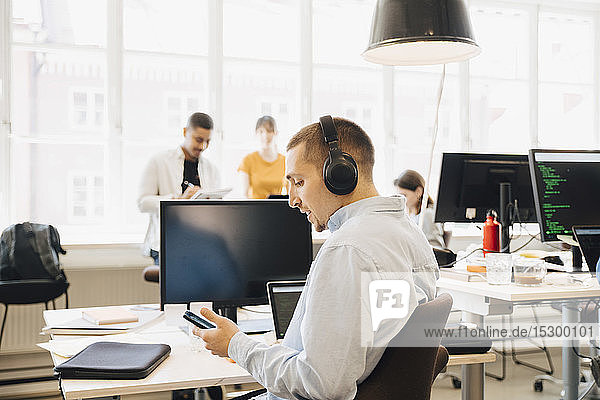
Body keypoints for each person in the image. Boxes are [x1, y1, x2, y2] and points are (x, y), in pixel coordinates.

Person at [193, 117, 439, 399]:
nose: (292, 200)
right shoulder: (408, 233)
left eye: (299, 182)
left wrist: (236, 344)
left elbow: (321, 384)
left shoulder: (348, 249)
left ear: (341, 174)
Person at [137, 112, 221, 265]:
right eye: (198, 139)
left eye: (208, 141)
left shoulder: (211, 169)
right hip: (166, 245)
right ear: (185, 132)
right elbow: (143, 203)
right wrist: (177, 200)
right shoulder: (159, 161)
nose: (203, 146)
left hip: (200, 244)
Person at [393, 169, 448, 249]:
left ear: (418, 192)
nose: (401, 200)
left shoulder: (427, 215)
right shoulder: (411, 215)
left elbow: (436, 247)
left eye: (404, 195)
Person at [238, 116, 286, 199]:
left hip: (277, 208)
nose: (265, 135)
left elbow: (290, 193)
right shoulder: (248, 160)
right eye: (261, 132)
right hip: (254, 209)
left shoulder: (285, 161)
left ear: (276, 133)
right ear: (256, 134)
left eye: (269, 131)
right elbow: (244, 195)